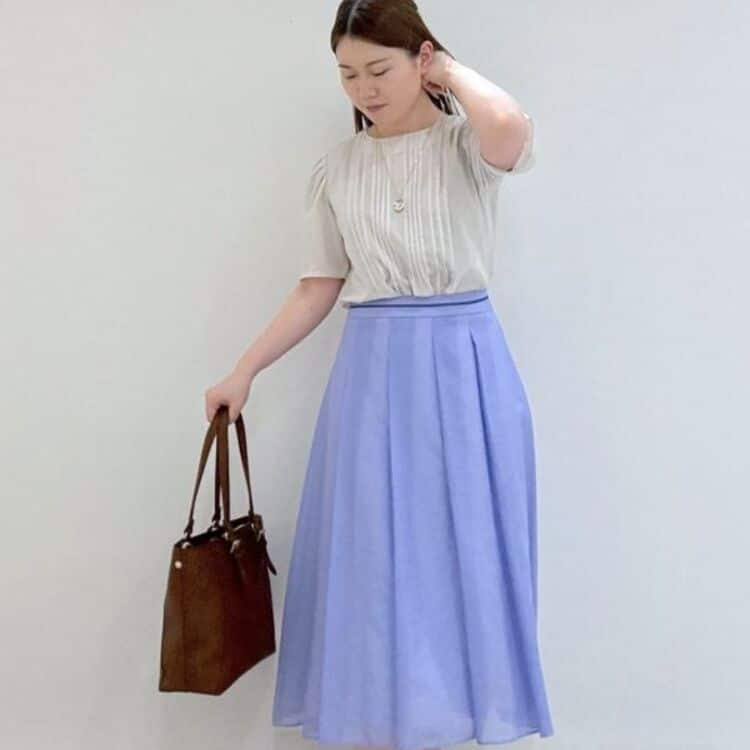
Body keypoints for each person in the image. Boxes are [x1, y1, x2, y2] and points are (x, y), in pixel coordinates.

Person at [204, 2, 554, 748]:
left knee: (464, 551)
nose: (363, 89)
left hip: (465, 368)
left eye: (379, 69)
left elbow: (510, 127)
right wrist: (244, 371)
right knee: (372, 556)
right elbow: (318, 285)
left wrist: (447, 70)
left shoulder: (466, 144)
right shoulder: (339, 168)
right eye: (347, 75)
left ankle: (454, 721)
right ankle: (379, 725)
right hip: (372, 373)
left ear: (420, 60)